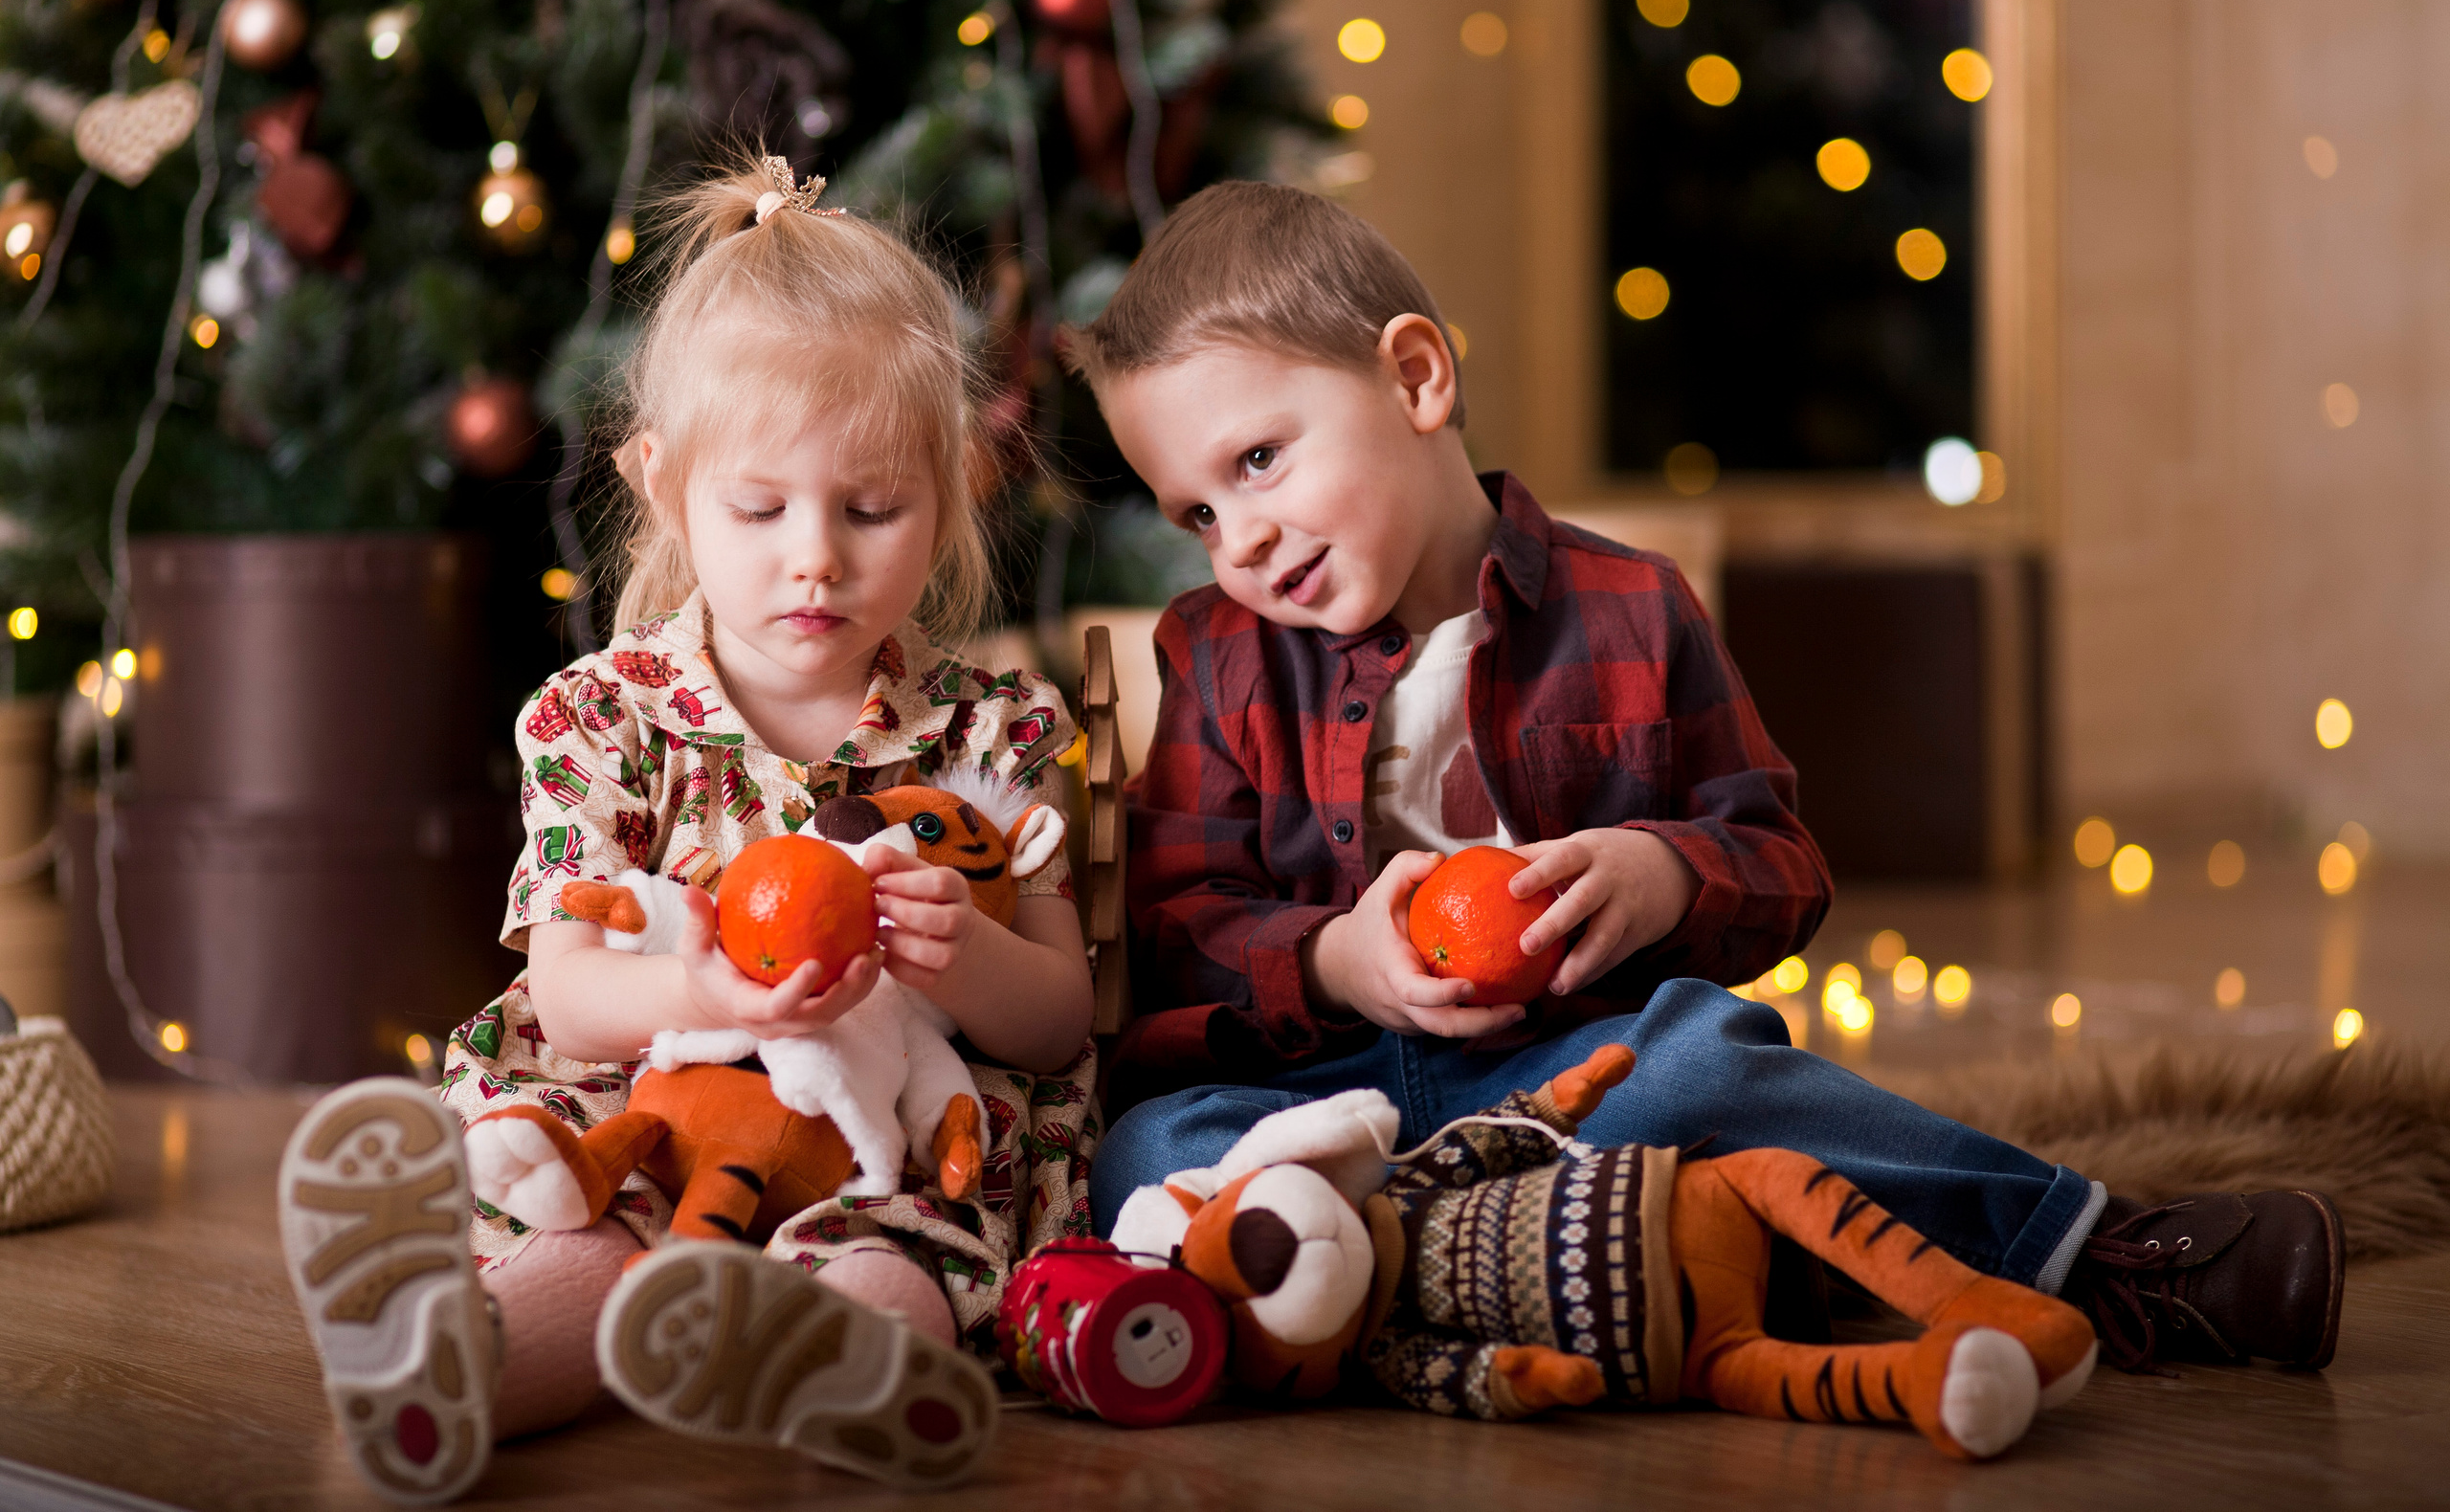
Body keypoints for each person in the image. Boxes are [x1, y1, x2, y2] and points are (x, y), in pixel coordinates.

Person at [1067, 180, 2343, 1388]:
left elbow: (1780, 866)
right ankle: (1586, 1250)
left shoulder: (1630, 609)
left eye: (1255, 465)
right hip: (1317, 1096)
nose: (1236, 541)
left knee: (1706, 1066)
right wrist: (1338, 959)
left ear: (1415, 377)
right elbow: (1181, 929)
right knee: (1145, 1147)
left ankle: (2096, 1256)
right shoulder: (1218, 655)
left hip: (1575, 1081)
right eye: (1193, 514)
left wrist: (1666, 872)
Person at [275, 155, 1095, 1502]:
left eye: (872, 509)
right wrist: (693, 989)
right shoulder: (602, 718)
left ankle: (845, 1381)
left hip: (885, 1127)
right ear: (662, 482)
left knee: (896, 1250)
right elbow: (567, 986)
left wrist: (968, 960)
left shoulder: (997, 735)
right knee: (594, 1236)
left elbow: (1058, 1023)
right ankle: (439, 1374)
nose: (815, 557)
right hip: (656, 1102)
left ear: (949, 489)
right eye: (761, 510)